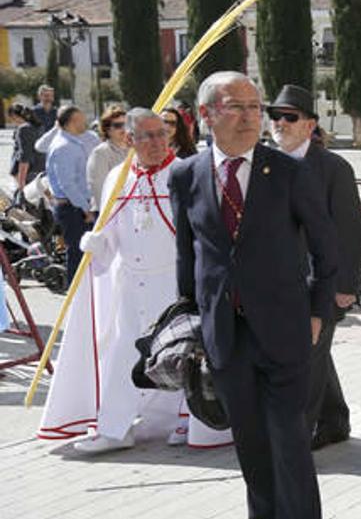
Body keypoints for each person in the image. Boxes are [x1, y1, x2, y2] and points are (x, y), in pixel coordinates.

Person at [170, 70, 338, 519]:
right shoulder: (187, 176)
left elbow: (325, 247)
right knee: (248, 440)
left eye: (253, 105)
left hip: (285, 329)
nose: (247, 115)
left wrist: (318, 311)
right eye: (233, 105)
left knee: (289, 439)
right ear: (206, 115)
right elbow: (188, 257)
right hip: (225, 334)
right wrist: (193, 320)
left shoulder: (285, 171)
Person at [39, 108, 232, 452]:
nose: (158, 142)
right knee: (123, 352)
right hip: (130, 285)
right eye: (147, 136)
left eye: (162, 133)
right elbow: (112, 226)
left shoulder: (185, 173)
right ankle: (114, 427)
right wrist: (98, 243)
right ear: (129, 140)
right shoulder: (117, 177)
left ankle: (185, 420)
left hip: (173, 284)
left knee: (181, 352)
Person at [265, 85, 361, 451]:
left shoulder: (333, 168)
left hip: (320, 282)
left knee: (307, 356)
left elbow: (350, 231)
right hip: (278, 283)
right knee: (316, 353)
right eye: (275, 116)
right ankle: (335, 420)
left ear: (309, 125)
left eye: (290, 117)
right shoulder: (264, 162)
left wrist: (346, 285)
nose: (280, 123)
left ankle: (299, 433)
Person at [46, 106, 99, 287]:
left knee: (84, 253)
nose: (85, 122)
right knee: (78, 254)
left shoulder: (73, 142)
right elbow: (68, 185)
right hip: (73, 207)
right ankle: (76, 297)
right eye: (81, 119)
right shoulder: (64, 147)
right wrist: (86, 209)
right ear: (71, 122)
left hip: (77, 206)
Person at [86, 106, 130, 215]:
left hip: (130, 212)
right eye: (118, 125)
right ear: (107, 129)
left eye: (126, 124)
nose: (124, 129)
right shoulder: (100, 153)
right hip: (110, 214)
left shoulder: (134, 150)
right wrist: (111, 214)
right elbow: (98, 189)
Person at [12, 104, 46, 190]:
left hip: (29, 172)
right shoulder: (40, 127)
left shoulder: (24, 129)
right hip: (40, 169)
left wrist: (21, 181)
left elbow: (25, 156)